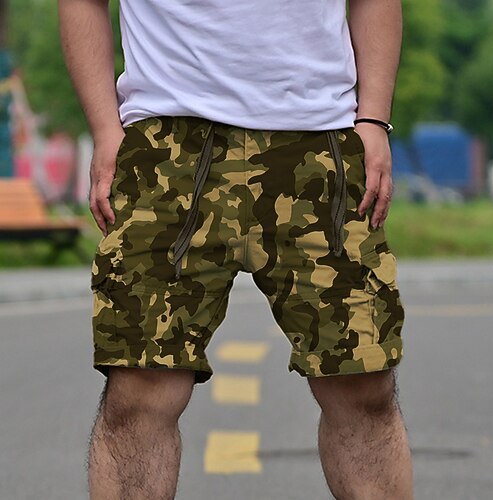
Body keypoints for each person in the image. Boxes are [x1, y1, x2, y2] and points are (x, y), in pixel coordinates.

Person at [59, 0, 413, 498]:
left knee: (361, 380)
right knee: (141, 387)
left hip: (318, 141)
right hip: (170, 145)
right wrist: (104, 128)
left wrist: (373, 119)